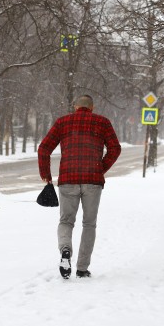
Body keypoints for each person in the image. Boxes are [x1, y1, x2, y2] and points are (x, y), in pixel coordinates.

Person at [38, 94, 121, 279]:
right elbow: (115, 148)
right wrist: (100, 168)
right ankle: (82, 268)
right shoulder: (102, 122)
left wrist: (46, 176)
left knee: (66, 221)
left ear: (75, 107)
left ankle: (65, 250)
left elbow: (44, 148)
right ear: (92, 107)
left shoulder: (63, 122)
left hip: (68, 179)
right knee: (89, 224)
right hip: (93, 180)